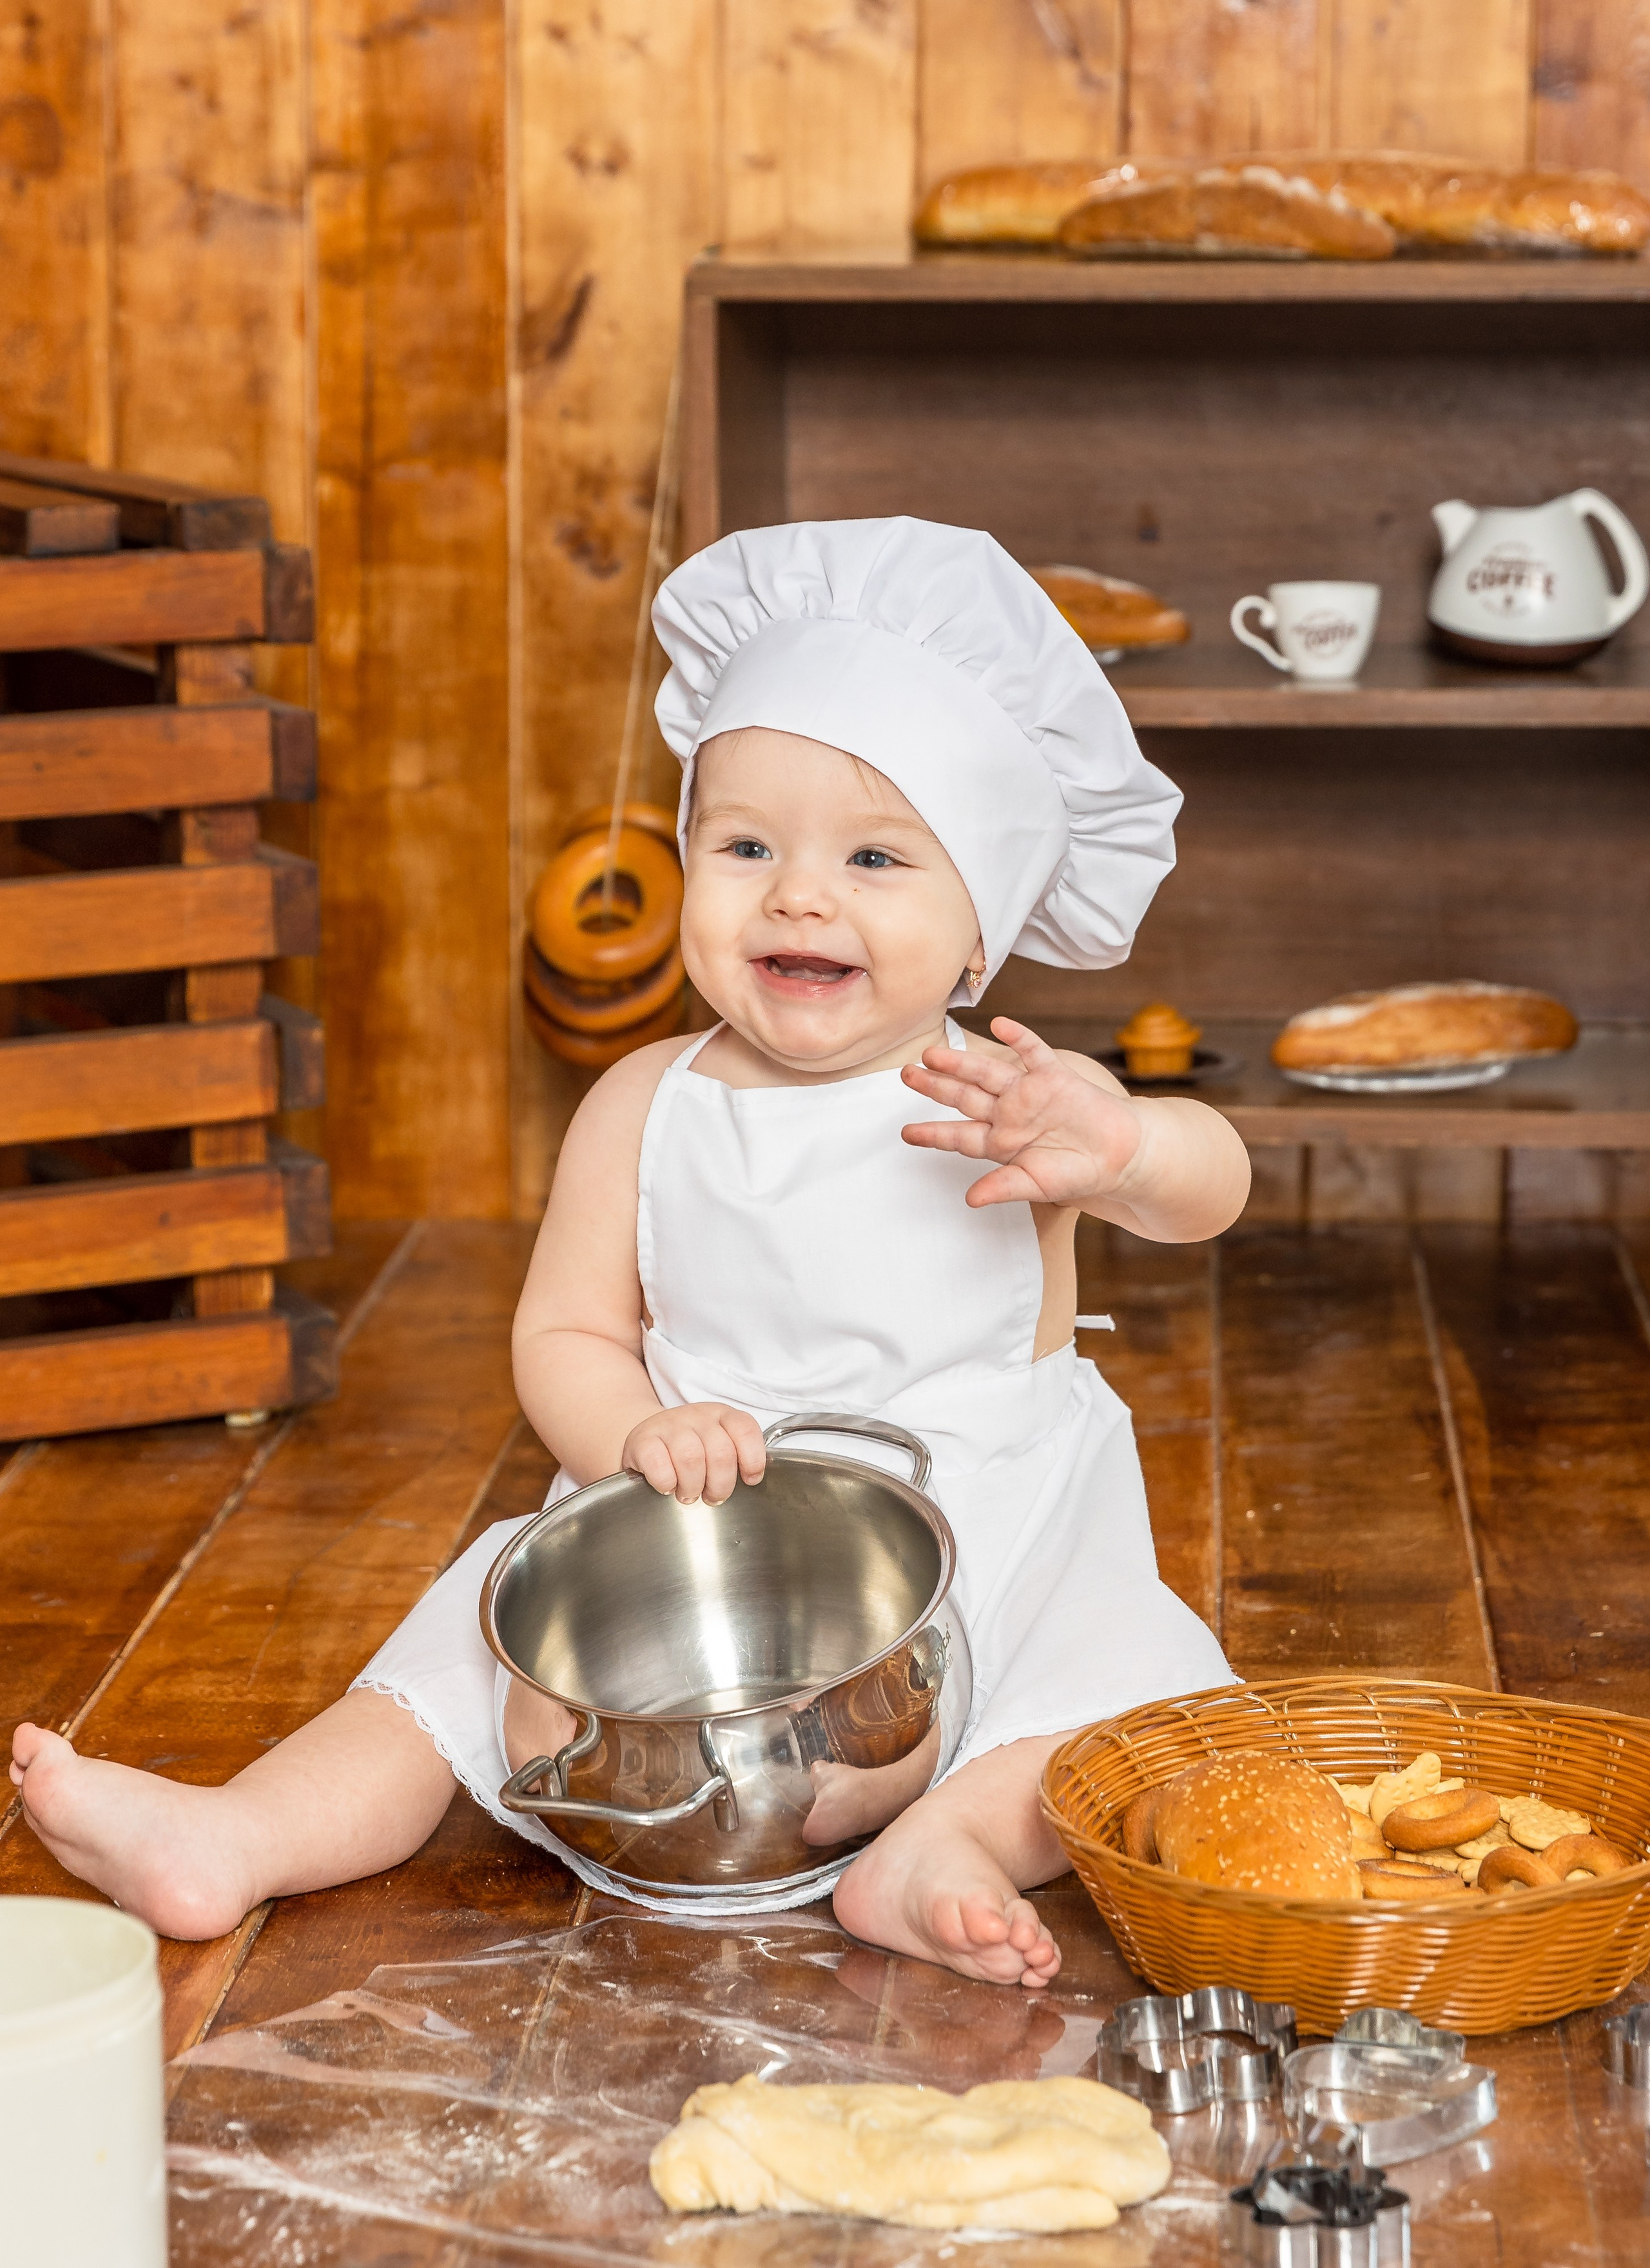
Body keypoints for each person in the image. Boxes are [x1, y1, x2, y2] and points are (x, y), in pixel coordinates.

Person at [10, 518, 1247, 1988]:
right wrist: (635, 1431)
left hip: (987, 1524)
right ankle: (241, 1834)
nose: (797, 893)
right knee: (451, 1665)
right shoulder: (644, 1104)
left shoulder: (1006, 1101)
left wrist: (1121, 1146)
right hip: (690, 1544)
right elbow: (563, 1338)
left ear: (981, 929)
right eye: (742, 847)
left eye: (871, 855)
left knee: (1127, 1708)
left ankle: (940, 1843)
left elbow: (1207, 1190)